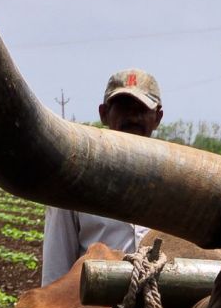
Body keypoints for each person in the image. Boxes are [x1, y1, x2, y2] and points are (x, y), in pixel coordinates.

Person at [40, 69, 162, 285]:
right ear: (104, 113)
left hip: (163, 306)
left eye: (142, 109)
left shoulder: (178, 182)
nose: (133, 116)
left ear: (158, 117)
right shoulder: (74, 180)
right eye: (123, 108)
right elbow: (55, 274)